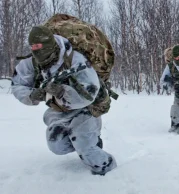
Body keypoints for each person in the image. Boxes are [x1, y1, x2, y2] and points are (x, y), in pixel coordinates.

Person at [11, 26, 117, 175]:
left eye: (39, 46)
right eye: (33, 46)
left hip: (86, 109)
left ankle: (108, 169)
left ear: (49, 44)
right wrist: (32, 95)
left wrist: (62, 91)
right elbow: (17, 84)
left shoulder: (75, 59)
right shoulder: (33, 62)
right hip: (59, 110)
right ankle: (86, 142)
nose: (36, 50)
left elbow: (90, 93)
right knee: (57, 145)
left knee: (87, 149)